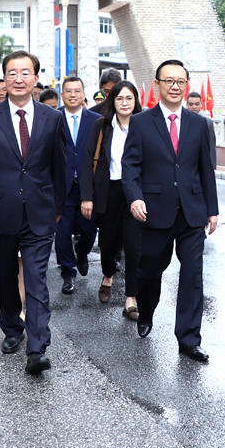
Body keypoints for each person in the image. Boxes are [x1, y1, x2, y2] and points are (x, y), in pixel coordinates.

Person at [0, 51, 70, 376]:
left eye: (25, 73)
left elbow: (61, 165)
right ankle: (11, 326)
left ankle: (37, 347)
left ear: (36, 79)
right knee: (5, 275)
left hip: (40, 211)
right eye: (12, 73)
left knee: (36, 278)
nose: (19, 79)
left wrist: (58, 207)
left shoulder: (52, 118)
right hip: (1, 210)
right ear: (4, 79)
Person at [121, 59, 219, 363]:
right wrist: (135, 198)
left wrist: (212, 210)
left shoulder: (200, 124)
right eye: (169, 81)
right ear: (158, 84)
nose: (175, 87)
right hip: (153, 211)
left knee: (192, 276)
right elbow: (130, 166)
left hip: (192, 212)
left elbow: (206, 169)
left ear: (186, 85)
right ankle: (146, 310)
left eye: (180, 81)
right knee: (150, 270)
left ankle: (189, 339)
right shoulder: (141, 122)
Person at [80, 81, 142, 320]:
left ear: (135, 101)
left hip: (136, 193)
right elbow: (88, 162)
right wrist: (87, 197)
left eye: (129, 98)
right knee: (108, 244)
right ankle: (107, 275)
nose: (124, 103)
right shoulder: (102, 126)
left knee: (134, 247)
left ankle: (131, 298)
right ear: (112, 101)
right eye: (119, 98)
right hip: (108, 191)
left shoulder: (144, 126)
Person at [55, 76, 101, 294]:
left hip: (88, 185)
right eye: (68, 91)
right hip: (61, 186)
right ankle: (68, 273)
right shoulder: (53, 119)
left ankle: (82, 252)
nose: (72, 95)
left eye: (77, 91)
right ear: (62, 95)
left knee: (88, 228)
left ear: (83, 94)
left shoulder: (97, 121)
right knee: (62, 232)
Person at [186, 90, 218, 169]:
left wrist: (212, 167)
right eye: (191, 104)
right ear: (186, 105)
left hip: (201, 163)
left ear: (201, 105)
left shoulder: (208, 122)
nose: (194, 107)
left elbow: (211, 146)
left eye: (197, 104)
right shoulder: (180, 121)